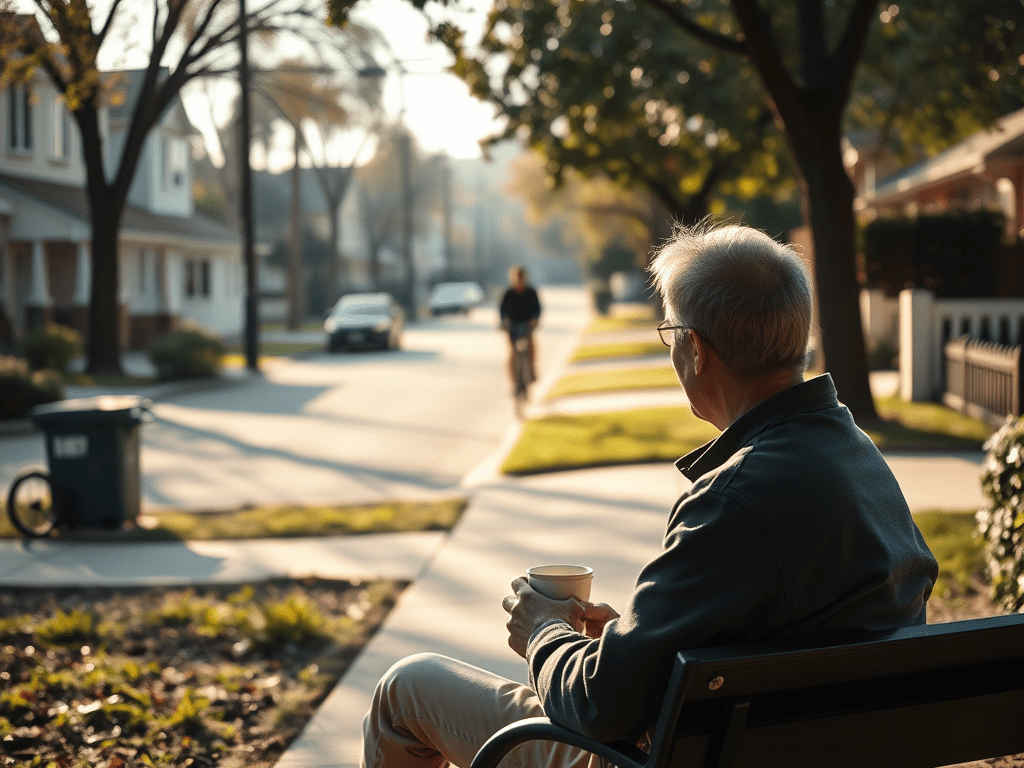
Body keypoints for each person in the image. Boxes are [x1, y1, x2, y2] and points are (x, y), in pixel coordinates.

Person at [361, 221, 938, 768]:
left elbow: (597, 706)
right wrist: (635, 641)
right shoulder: (857, 454)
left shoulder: (735, 499)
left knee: (405, 689)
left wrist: (543, 631)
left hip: (666, 755)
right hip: (817, 746)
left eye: (669, 335)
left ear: (695, 348)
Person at [499, 265, 541, 389]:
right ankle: (514, 381)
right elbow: (502, 310)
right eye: (517, 277)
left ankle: (532, 369)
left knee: (531, 346)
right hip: (512, 326)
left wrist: (535, 319)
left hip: (527, 324)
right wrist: (503, 322)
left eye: (521, 277)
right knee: (512, 352)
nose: (519, 280)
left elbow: (537, 309)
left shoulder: (531, 292)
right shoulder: (508, 294)